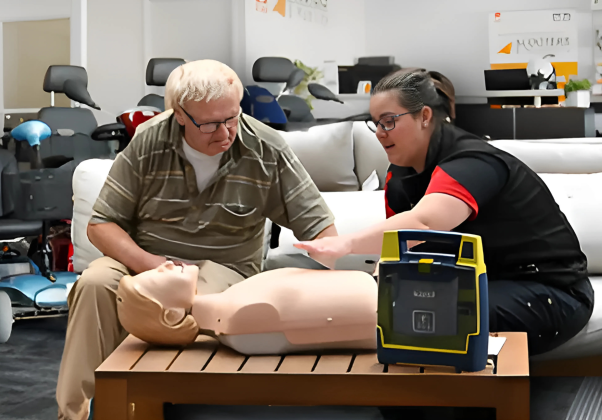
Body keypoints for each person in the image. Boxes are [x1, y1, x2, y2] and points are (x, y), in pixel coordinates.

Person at [56, 59, 338, 420]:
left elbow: (320, 229)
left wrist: (342, 284)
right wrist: (151, 265)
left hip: (226, 269)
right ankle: (73, 415)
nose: (224, 133)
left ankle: (153, 407)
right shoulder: (148, 142)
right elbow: (102, 224)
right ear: (180, 116)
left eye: (232, 118)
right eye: (209, 124)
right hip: (148, 262)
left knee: (190, 299)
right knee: (95, 283)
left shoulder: (267, 149)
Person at [296, 68, 594, 357]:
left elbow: (423, 224)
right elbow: (400, 247)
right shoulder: (399, 175)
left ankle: (469, 406)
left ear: (424, 116)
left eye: (388, 122)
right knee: (393, 312)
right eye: (375, 124)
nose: (380, 134)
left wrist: (344, 244)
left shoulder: (474, 162)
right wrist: (376, 292)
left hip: (551, 292)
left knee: (436, 316)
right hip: (478, 282)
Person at [116, 260, 377, 354]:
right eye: (158, 275)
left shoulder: (235, 303)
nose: (166, 264)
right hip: (384, 309)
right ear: (171, 316)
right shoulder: (241, 317)